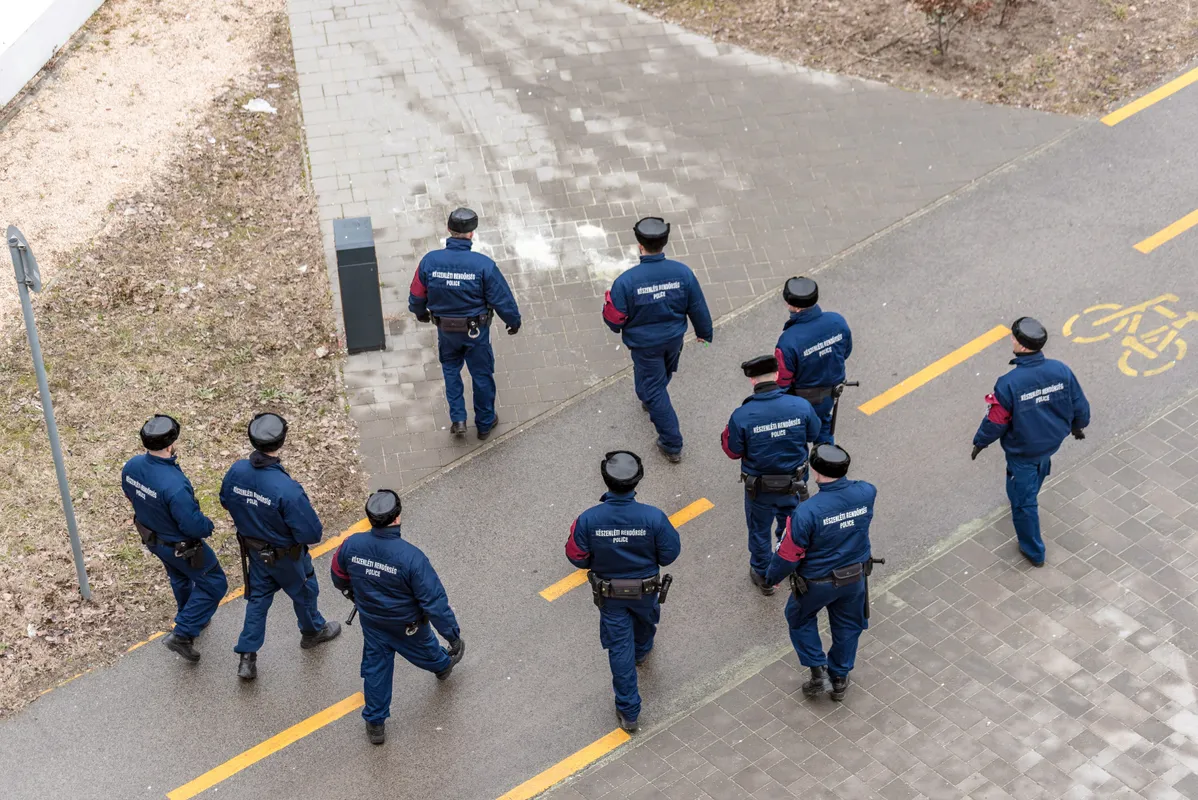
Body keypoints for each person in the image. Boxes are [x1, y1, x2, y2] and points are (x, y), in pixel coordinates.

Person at [331, 490, 465, 745]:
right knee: (425, 649)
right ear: (397, 517)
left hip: (371, 621)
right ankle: (442, 666)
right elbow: (434, 603)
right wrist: (453, 636)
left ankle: (375, 723)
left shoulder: (351, 545)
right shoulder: (411, 558)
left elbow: (338, 576)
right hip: (407, 625)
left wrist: (356, 596)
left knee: (376, 668)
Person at [565, 451, 681, 731]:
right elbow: (669, 554)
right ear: (637, 480)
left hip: (610, 596)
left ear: (605, 479)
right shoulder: (654, 517)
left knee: (619, 650)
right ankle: (642, 651)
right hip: (645, 591)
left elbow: (576, 556)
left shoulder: (588, 520)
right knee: (646, 623)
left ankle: (629, 713)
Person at [221, 413, 340, 680]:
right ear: (282, 441)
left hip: (256, 553)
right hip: (288, 558)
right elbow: (311, 533)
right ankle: (312, 632)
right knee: (305, 592)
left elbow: (225, 500)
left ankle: (247, 656)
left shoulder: (237, 471)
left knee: (258, 600)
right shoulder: (287, 489)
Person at [972, 316, 1090, 567]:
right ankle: (1025, 490)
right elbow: (1079, 404)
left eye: (1013, 337)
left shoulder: (1009, 384)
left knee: (1024, 503)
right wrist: (1078, 426)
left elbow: (996, 421)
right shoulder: (1060, 370)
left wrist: (980, 442)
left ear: (1021, 345)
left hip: (1023, 451)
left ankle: (1034, 552)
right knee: (1040, 467)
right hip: (1051, 442)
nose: (1011, 340)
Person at [765, 444, 875, 701]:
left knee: (799, 618)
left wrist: (773, 577)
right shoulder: (867, 492)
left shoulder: (806, 512)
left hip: (816, 583)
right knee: (848, 626)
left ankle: (818, 672)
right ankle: (839, 678)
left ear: (814, 471)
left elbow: (788, 554)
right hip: (854, 577)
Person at [602, 217, 713, 463]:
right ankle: (649, 396)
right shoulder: (682, 273)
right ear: (664, 243)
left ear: (639, 245)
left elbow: (614, 322)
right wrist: (704, 334)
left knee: (654, 389)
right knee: (660, 375)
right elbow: (697, 306)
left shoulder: (626, 282)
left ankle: (672, 443)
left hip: (644, 346)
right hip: (673, 339)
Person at [121, 415, 228, 663]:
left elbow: (129, 495)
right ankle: (183, 634)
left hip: (153, 539)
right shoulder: (174, 484)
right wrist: (208, 526)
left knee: (179, 577)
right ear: (170, 444)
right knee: (215, 583)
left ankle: (191, 615)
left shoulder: (132, 466)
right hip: (182, 546)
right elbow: (192, 525)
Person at [408, 207, 522, 441]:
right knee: (481, 375)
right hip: (475, 333)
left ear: (448, 229)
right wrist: (513, 321)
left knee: (451, 370)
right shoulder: (483, 265)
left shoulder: (430, 261)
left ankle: (458, 419)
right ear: (472, 233)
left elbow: (417, 294)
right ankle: (484, 423)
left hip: (446, 331)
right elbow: (502, 299)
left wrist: (420, 313)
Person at [721, 355, 821, 595]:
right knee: (792, 526)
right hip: (795, 484)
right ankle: (789, 563)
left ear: (752, 380)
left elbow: (732, 451)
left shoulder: (742, 415)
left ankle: (765, 576)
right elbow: (813, 434)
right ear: (776, 375)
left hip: (760, 489)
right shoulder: (800, 406)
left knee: (759, 530)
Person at [774, 277, 853, 444]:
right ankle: (827, 458)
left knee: (795, 440)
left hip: (801, 401)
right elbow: (845, 352)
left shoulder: (788, 341)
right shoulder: (837, 321)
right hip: (830, 394)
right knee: (824, 433)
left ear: (794, 307)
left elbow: (782, 382)